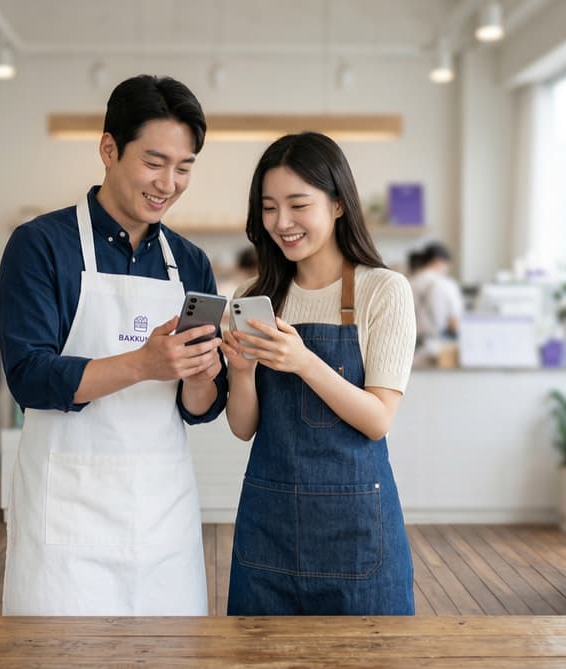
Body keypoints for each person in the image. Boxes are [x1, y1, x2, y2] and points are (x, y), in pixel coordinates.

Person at [0, 75, 227, 616]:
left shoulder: (190, 263)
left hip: (162, 519)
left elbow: (199, 409)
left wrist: (199, 376)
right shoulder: (40, 246)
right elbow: (30, 376)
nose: (168, 183)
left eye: (185, 167)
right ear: (108, 149)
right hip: (65, 525)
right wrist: (143, 363)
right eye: (154, 162)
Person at [220, 132, 417, 615]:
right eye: (268, 207)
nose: (281, 223)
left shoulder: (384, 291)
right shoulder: (255, 293)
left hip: (357, 534)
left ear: (336, 205)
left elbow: (378, 420)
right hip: (268, 531)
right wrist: (241, 373)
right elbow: (244, 428)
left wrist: (304, 361)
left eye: (297, 205)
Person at [408, 242, 464, 349]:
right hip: (438, 347)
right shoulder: (446, 285)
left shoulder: (409, 283)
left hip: (411, 346)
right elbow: (454, 324)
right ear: (439, 261)